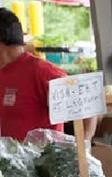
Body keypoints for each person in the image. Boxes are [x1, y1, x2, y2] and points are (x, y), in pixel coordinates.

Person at [0, 8, 95, 141]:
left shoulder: (42, 72)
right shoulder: (3, 72)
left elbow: (87, 105)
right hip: (11, 160)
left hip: (43, 159)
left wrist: (83, 147)